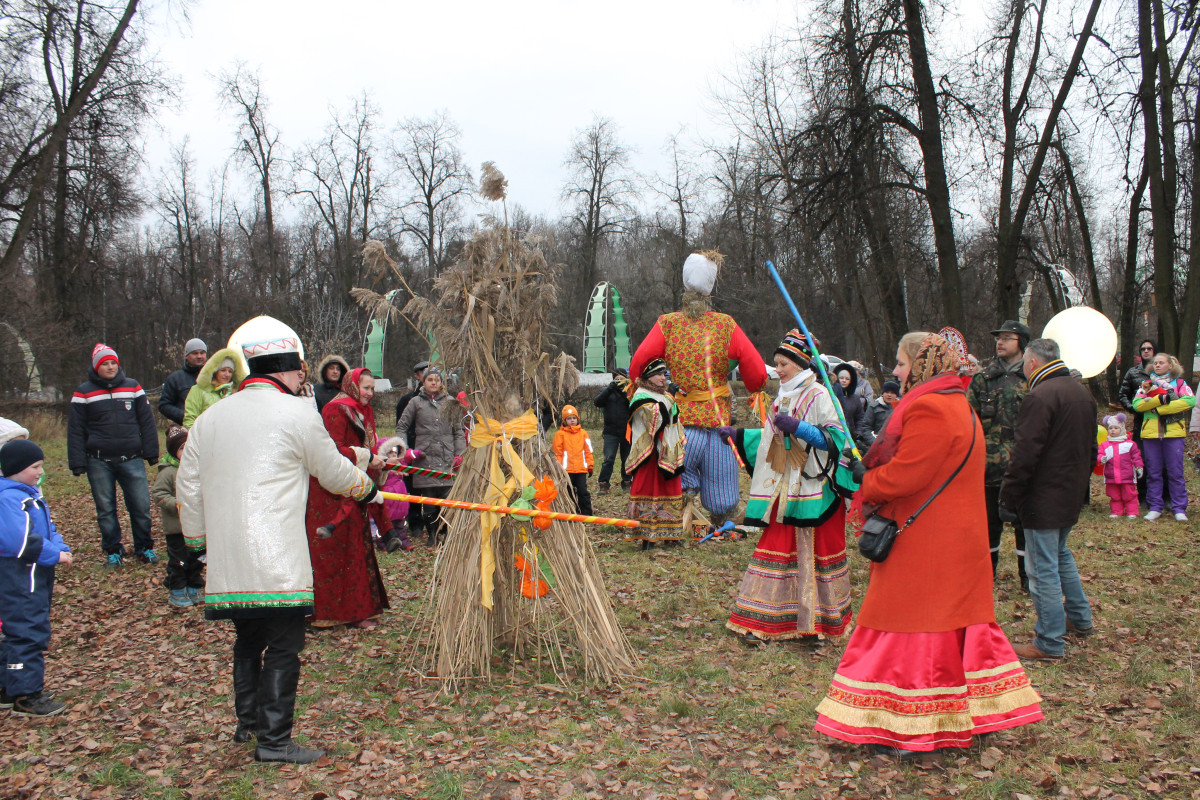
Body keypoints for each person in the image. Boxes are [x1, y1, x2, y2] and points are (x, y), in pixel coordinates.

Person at [815, 332, 1042, 756]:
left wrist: (867, 479)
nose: (896, 372)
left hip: (928, 545)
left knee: (914, 629)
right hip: (953, 541)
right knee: (952, 628)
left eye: (902, 363)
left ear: (922, 364)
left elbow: (907, 476)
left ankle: (915, 726)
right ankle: (964, 717)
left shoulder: (929, 407)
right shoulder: (958, 403)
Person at [177, 316, 382, 764]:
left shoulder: (210, 417)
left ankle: (247, 724)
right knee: (285, 646)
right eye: (299, 373)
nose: (300, 381)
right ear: (289, 371)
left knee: (248, 641)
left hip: (230, 560)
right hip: (279, 560)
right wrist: (365, 487)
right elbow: (330, 468)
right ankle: (273, 742)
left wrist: (196, 544)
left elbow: (188, 485)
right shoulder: (296, 413)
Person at [718, 330, 858, 646]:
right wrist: (739, 436)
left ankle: (818, 625)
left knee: (815, 554)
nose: (777, 370)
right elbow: (772, 441)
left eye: (783, 364)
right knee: (777, 548)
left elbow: (836, 440)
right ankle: (764, 619)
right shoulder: (781, 398)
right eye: (776, 364)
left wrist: (801, 428)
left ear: (799, 363)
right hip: (784, 490)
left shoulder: (821, 395)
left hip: (817, 492)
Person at [628, 251, 768, 528]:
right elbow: (757, 372)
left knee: (678, 473)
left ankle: (680, 515)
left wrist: (643, 384)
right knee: (722, 487)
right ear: (711, 287)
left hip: (681, 426)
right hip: (719, 427)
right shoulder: (725, 324)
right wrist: (757, 388)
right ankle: (721, 516)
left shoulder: (667, 324)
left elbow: (638, 365)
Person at [998, 338, 1097, 661]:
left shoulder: (1040, 395)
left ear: (1033, 363)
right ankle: (1080, 620)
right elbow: (1091, 448)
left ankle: (1050, 641)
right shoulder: (1080, 392)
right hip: (1069, 491)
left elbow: (1024, 453)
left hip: (1044, 495)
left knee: (1041, 568)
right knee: (1060, 555)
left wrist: (1009, 496)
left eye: (1025, 363)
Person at [306, 367, 396, 628]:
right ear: (353, 386)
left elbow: (366, 446)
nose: (370, 393)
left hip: (353, 483)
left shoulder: (361, 411)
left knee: (356, 547)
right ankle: (331, 614)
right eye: (366, 388)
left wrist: (378, 460)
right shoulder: (336, 409)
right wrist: (368, 457)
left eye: (372, 389)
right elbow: (332, 451)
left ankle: (358, 610)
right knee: (336, 550)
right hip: (331, 491)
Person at [67, 344, 160, 567]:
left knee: (141, 506)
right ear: (96, 366)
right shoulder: (83, 393)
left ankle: (144, 548)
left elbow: (147, 422)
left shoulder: (133, 388)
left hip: (132, 458)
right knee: (106, 510)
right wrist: (77, 462)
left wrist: (151, 452)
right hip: (99, 460)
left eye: (113, 363)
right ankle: (113, 550)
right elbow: (76, 430)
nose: (110, 367)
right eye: (105, 364)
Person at [0, 440, 73, 717]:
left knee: (23, 629)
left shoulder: (30, 496)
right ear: (17, 469)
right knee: (27, 632)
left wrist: (60, 547)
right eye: (35, 467)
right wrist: (53, 556)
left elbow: (48, 529)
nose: (40, 472)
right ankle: (26, 696)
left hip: (34, 578)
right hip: (20, 580)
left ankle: (9, 688)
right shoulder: (8, 499)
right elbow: (20, 542)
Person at [967, 320, 1031, 592]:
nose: (1000, 342)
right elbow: (967, 421)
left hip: (1023, 467)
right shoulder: (982, 380)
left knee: (1025, 526)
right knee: (988, 526)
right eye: (998, 338)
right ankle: (986, 577)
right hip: (987, 467)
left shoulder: (1032, 380)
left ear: (1022, 343)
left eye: (1007, 338)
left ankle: (1028, 580)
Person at [396, 367, 464, 548]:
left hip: (447, 458)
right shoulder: (415, 403)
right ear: (423, 382)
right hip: (424, 458)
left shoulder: (450, 403)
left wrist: (460, 454)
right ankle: (432, 535)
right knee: (429, 502)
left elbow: (458, 431)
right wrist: (405, 450)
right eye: (430, 380)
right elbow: (401, 427)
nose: (434, 383)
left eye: (437, 380)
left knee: (448, 500)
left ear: (442, 383)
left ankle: (447, 534)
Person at [625, 359, 686, 548]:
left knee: (669, 489)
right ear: (648, 377)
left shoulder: (663, 395)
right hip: (649, 454)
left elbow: (674, 421)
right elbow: (656, 419)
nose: (663, 377)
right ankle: (646, 536)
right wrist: (670, 396)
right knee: (648, 490)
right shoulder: (641, 396)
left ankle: (671, 534)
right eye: (659, 374)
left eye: (664, 374)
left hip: (667, 453)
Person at [1132, 352, 1195, 521]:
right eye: (1155, 363)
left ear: (1170, 365)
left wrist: (1160, 408)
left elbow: (1189, 401)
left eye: (1161, 362)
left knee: (1175, 471)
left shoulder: (1180, 383)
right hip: (1150, 434)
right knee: (1153, 471)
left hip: (1174, 433)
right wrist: (1160, 400)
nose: (1157, 365)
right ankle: (1155, 507)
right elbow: (1137, 404)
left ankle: (1179, 508)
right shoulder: (1145, 384)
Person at [153, 426, 205, 609]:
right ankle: (177, 589)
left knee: (196, 558)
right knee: (179, 560)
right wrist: (175, 504)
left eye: (189, 447)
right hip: (176, 527)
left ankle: (193, 586)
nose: (186, 451)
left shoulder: (197, 469)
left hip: (196, 526)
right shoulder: (168, 472)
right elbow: (159, 493)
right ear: (174, 451)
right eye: (182, 448)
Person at [394, 360, 431, 538]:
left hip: (435, 452)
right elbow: (401, 427)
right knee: (414, 488)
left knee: (434, 488)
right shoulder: (407, 400)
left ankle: (435, 525)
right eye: (425, 372)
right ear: (418, 376)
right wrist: (405, 450)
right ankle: (415, 523)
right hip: (414, 450)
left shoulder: (445, 401)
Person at [1118, 339, 1158, 504]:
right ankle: (1142, 495)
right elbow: (1122, 394)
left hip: (1160, 421)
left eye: (1149, 348)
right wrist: (1133, 408)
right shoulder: (1133, 373)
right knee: (1140, 458)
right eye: (1143, 349)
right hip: (1141, 422)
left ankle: (1162, 495)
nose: (1146, 351)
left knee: (1159, 460)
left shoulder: (1162, 372)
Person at [183, 348, 247, 428]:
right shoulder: (199, 390)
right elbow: (190, 419)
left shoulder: (237, 393)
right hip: (204, 437)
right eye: (223, 370)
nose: (227, 374)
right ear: (215, 371)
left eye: (230, 371)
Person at [593, 368, 632, 493]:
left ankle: (627, 482)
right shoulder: (606, 391)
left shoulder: (630, 391)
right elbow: (597, 402)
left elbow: (633, 405)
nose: (619, 382)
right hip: (610, 431)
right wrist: (610, 389)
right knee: (608, 458)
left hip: (627, 431)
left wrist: (624, 392)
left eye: (621, 379)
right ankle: (604, 484)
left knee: (626, 459)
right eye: (617, 379)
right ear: (613, 379)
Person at [1097, 414, 1143, 519]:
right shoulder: (1105, 444)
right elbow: (1100, 454)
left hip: (1127, 475)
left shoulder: (1130, 444)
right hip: (1111, 475)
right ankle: (1117, 511)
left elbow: (1136, 457)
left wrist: (1139, 467)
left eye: (1116, 428)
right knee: (1114, 495)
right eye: (1111, 428)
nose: (1113, 430)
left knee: (1129, 494)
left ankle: (1132, 511)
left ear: (1122, 429)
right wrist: (1101, 459)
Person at [552, 405, 594, 516]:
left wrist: (590, 465)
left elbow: (588, 451)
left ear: (577, 419)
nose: (572, 421)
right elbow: (558, 453)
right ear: (564, 420)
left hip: (581, 469)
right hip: (567, 470)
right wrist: (558, 469)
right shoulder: (560, 435)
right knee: (569, 492)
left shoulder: (583, 433)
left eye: (574, 418)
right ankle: (571, 512)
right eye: (569, 418)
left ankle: (586, 514)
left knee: (583, 492)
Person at [159, 338, 207, 425]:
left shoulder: (213, 376)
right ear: (186, 355)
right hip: (185, 428)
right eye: (195, 353)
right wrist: (184, 416)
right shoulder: (175, 378)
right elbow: (164, 405)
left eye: (202, 353)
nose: (199, 356)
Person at [856, 379, 899, 451]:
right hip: (876, 445)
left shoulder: (901, 408)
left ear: (896, 395)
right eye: (887, 392)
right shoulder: (873, 407)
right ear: (882, 393)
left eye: (892, 393)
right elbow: (866, 427)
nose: (889, 395)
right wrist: (874, 442)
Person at [831, 363, 864, 439]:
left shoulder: (855, 399)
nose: (844, 381)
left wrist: (859, 432)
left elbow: (860, 417)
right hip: (834, 434)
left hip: (849, 434)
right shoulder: (831, 396)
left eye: (847, 379)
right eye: (841, 378)